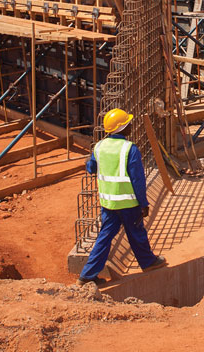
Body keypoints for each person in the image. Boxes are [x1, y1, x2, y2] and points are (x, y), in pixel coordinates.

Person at [76, 108, 166, 287]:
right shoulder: (129, 149)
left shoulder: (99, 147)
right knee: (137, 233)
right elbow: (137, 180)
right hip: (128, 203)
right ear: (121, 128)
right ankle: (148, 262)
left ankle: (87, 275)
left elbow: (91, 168)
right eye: (128, 123)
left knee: (105, 237)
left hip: (108, 203)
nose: (131, 125)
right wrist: (143, 203)